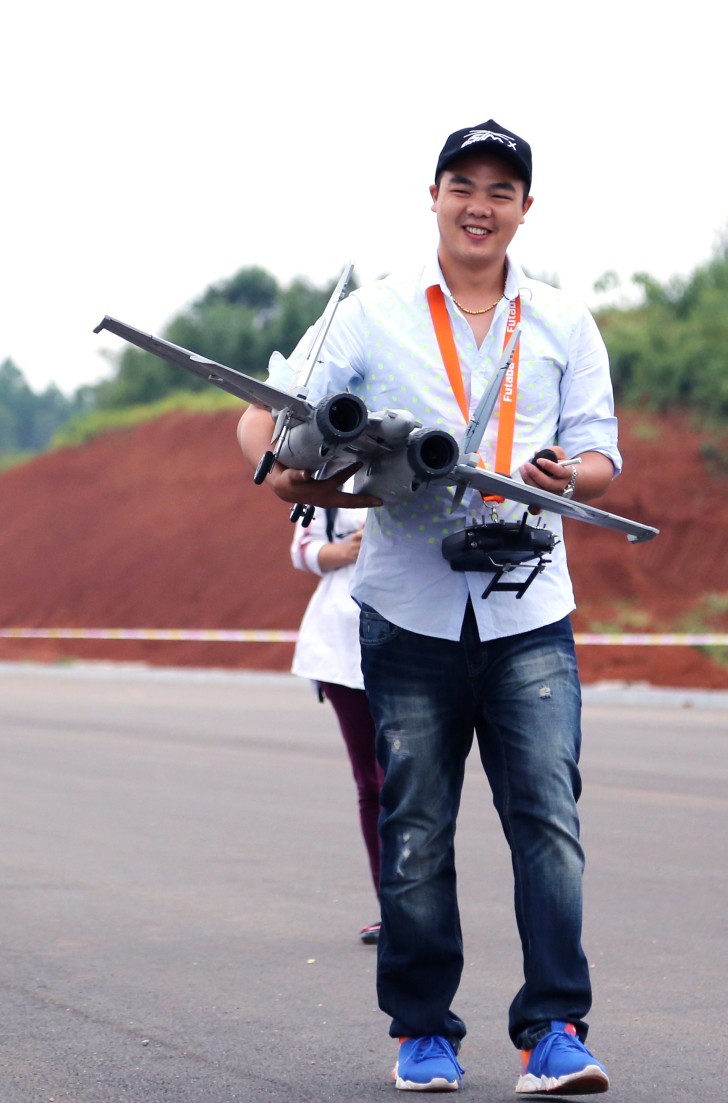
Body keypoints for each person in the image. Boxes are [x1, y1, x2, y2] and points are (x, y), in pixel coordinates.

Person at [237, 119, 614, 1095]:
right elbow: (276, 428)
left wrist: (569, 469)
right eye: (463, 184)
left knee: (550, 824)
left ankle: (555, 1029)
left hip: (531, 608)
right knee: (415, 826)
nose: (480, 204)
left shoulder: (566, 321)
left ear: (526, 207)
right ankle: (422, 1032)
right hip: (406, 609)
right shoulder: (368, 317)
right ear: (434, 195)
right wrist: (286, 457)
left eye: (500, 189)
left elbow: (603, 455)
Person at [288, 503, 384, 945]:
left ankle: (426, 908)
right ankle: (394, 911)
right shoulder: (324, 470)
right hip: (340, 649)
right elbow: (303, 551)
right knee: (373, 783)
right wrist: (346, 549)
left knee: (418, 785)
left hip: (417, 635)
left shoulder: (421, 454)